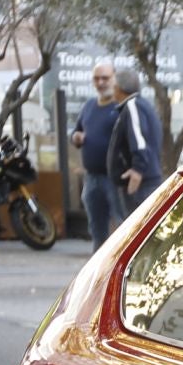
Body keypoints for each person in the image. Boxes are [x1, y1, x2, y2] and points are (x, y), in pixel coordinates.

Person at [69, 61, 122, 249]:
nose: (100, 82)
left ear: (114, 78)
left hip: (115, 178)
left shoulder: (120, 107)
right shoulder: (89, 106)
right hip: (91, 178)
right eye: (96, 78)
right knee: (96, 229)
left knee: (124, 226)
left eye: (105, 78)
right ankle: (99, 271)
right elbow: (76, 132)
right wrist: (76, 137)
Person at [106, 67, 164, 219]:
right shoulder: (141, 105)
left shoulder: (132, 106)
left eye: (113, 86)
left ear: (119, 88)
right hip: (145, 184)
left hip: (141, 186)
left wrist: (137, 172)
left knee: (138, 235)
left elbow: (139, 142)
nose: (112, 90)